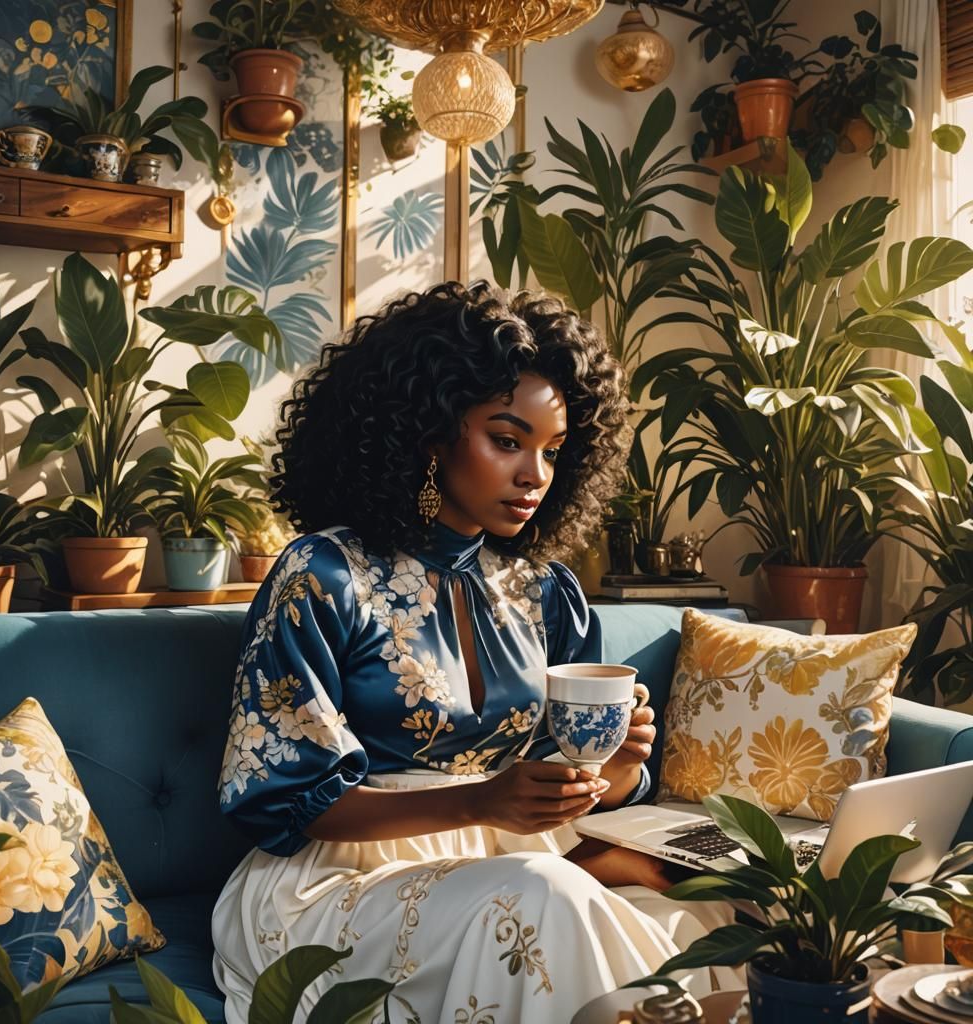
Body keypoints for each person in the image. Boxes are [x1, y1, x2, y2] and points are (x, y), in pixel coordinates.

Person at [212, 282, 720, 1024]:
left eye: (552, 451)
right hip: (334, 886)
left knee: (713, 909)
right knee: (545, 898)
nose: (535, 475)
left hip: (510, 861)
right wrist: (480, 801)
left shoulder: (545, 589)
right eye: (508, 440)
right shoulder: (323, 575)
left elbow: (563, 784)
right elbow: (284, 801)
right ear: (429, 433)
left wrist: (612, 772)